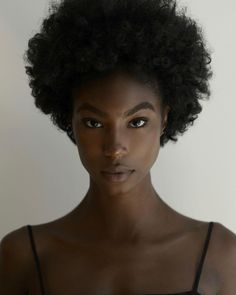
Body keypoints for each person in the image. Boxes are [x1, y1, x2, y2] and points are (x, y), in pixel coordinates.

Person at [0, 0, 236, 294]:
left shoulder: (221, 254)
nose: (114, 148)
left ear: (164, 119)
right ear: (68, 119)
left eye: (136, 122)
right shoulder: (23, 257)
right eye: (93, 123)